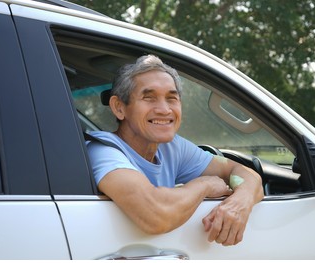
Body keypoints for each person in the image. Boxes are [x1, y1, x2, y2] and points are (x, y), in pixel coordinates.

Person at [86, 54, 264, 246]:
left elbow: (243, 172)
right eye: (149, 97)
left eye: (172, 98)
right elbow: (155, 215)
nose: (164, 109)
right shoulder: (102, 151)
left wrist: (240, 203)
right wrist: (203, 185)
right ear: (119, 108)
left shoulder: (171, 147)